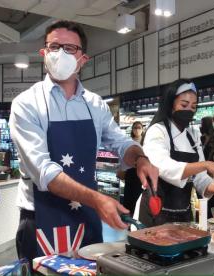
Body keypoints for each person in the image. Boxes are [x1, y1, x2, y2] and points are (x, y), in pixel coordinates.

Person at [9, 20, 159, 262]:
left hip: (86, 215)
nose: (60, 54)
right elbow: (43, 171)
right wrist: (98, 199)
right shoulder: (26, 104)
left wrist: (140, 158)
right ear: (43, 53)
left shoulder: (95, 104)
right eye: (54, 46)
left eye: (70, 49)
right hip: (41, 218)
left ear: (83, 59)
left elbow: (120, 143)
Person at [139, 79, 214, 226]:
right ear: (170, 104)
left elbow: (199, 178)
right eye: (184, 105)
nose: (189, 110)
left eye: (193, 106)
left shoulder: (193, 135)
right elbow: (163, 167)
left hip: (183, 213)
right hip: (155, 213)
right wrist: (206, 164)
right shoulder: (157, 131)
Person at [122, 121, 145, 215]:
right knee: (129, 197)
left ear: (142, 129)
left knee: (138, 197)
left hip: (141, 173)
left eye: (139, 127)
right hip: (130, 172)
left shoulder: (146, 141)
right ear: (132, 129)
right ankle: (127, 219)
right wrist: (121, 169)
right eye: (135, 128)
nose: (137, 130)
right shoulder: (128, 142)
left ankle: (136, 218)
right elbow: (123, 157)